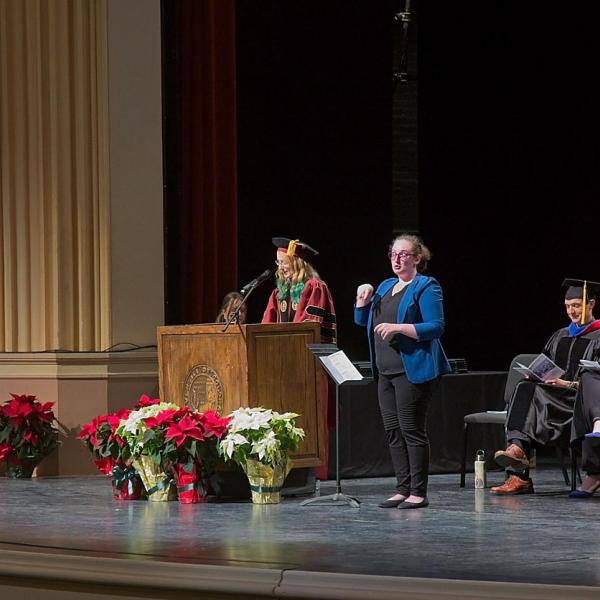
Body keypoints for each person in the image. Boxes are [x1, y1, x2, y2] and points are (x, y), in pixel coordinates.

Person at [354, 234, 451, 509]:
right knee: (393, 431)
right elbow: (364, 322)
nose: (397, 259)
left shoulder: (426, 286)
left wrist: (399, 328)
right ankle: (402, 488)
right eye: (393, 253)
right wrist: (361, 301)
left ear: (417, 258)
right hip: (385, 371)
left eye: (404, 254)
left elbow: (436, 326)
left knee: (411, 430)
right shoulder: (385, 286)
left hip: (413, 370)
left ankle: (418, 492)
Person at [492, 278, 600, 495]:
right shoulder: (560, 335)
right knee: (525, 386)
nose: (571, 311)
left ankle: (518, 466)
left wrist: (566, 383)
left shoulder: (599, 336)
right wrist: (538, 375)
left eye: (577, 305)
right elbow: (545, 363)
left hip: (578, 401)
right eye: (568, 306)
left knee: (529, 398)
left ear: (591, 304)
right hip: (552, 397)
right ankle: (517, 458)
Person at [261, 237, 336, 343]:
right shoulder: (278, 293)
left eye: (284, 262)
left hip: (306, 352)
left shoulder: (314, 287)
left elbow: (309, 326)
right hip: (282, 352)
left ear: (296, 263)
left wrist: (290, 342)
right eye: (278, 263)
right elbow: (266, 324)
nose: (280, 268)